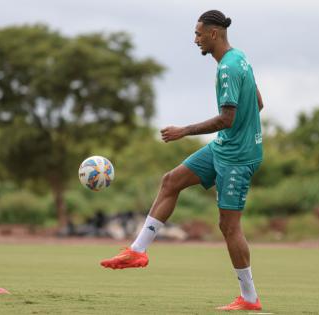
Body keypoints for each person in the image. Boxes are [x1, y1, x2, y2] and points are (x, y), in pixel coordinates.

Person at [100, 9, 264, 311]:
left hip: (238, 157)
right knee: (171, 181)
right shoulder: (240, 57)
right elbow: (258, 102)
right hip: (225, 147)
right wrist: (246, 128)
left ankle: (250, 299)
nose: (195, 39)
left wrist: (183, 131)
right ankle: (138, 251)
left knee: (229, 227)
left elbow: (227, 118)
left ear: (213, 34)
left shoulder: (228, 68)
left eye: (199, 34)